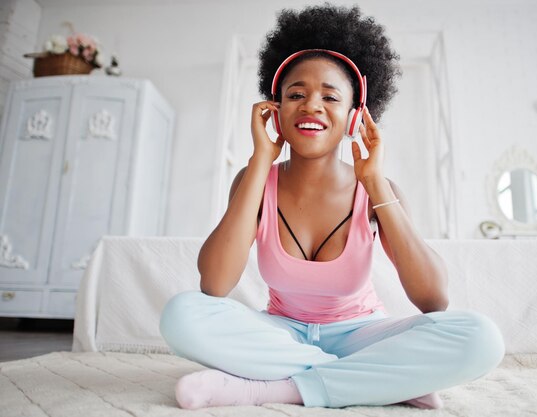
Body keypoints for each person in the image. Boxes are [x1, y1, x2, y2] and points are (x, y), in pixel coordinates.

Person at [160, 4, 504, 410]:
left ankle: (274, 389)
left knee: (481, 337)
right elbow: (214, 285)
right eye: (295, 95)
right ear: (275, 109)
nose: (311, 106)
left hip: (362, 332)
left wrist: (374, 181)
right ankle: (374, 378)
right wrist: (259, 162)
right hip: (280, 332)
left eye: (330, 96)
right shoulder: (254, 180)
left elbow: (434, 300)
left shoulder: (378, 189)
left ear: (355, 115)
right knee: (181, 315)